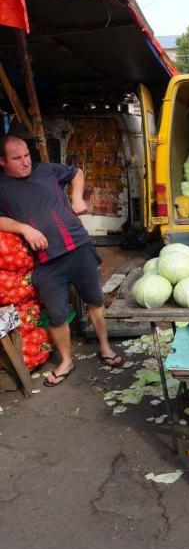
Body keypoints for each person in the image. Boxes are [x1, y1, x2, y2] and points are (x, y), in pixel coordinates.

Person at [0, 134, 123, 386]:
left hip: (78, 246)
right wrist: (24, 229)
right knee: (56, 315)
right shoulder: (1, 186)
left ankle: (105, 347)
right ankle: (66, 361)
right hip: (45, 261)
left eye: (26, 155)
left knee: (95, 301)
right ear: (2, 162)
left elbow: (77, 173)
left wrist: (77, 198)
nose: (25, 162)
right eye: (17, 158)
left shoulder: (46, 170)